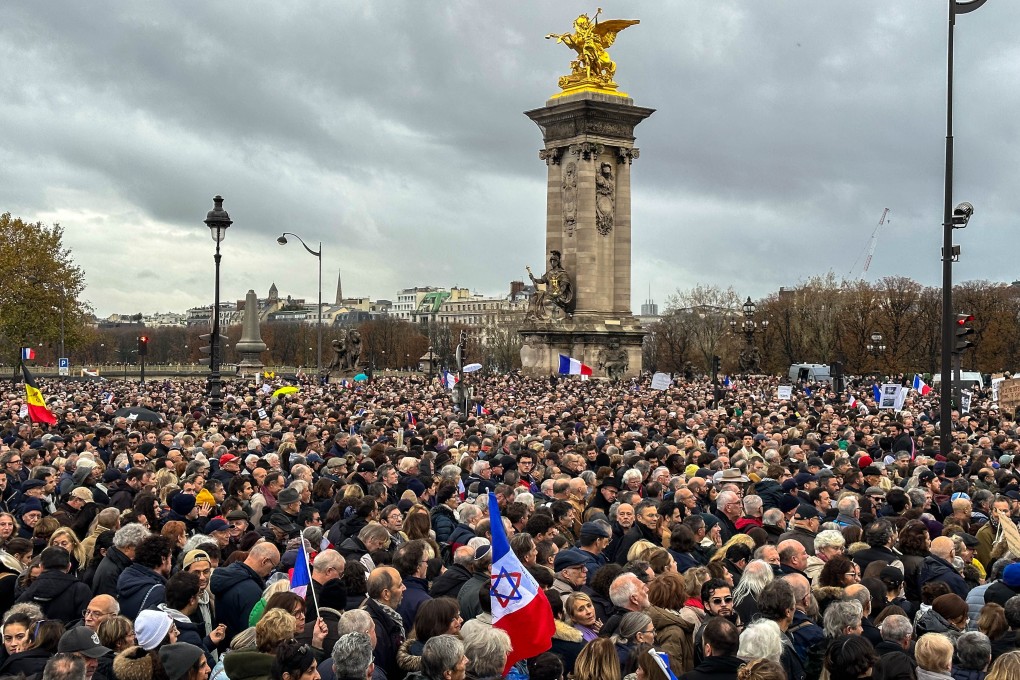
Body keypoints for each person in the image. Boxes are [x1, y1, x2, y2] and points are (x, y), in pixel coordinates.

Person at [16, 546, 93, 623]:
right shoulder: (81, 590)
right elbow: (84, 621)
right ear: (69, 566)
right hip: (69, 634)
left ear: (41, 567)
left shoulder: (28, 591)